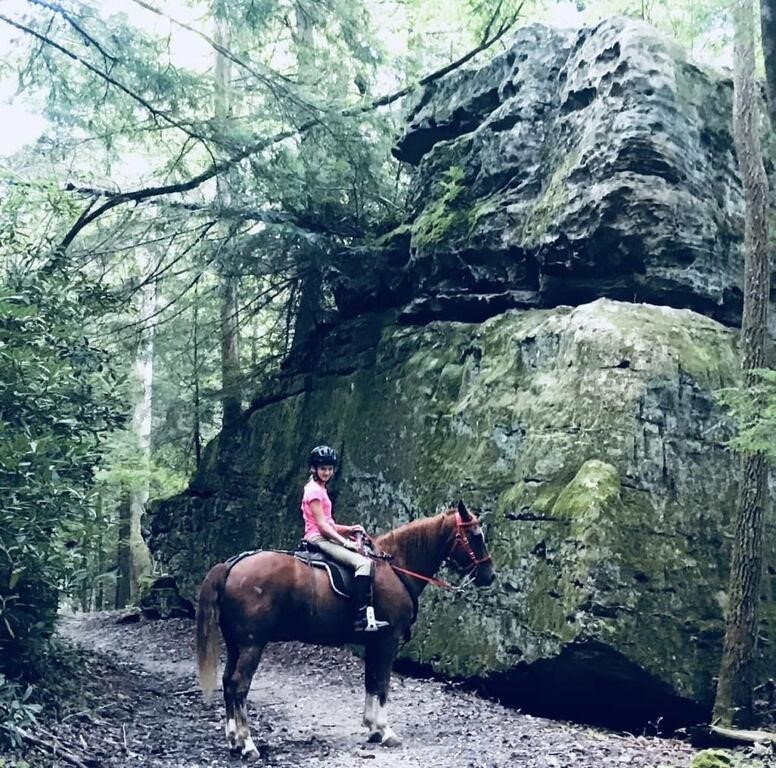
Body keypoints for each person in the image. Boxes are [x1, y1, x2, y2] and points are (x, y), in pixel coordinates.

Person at [301, 445, 389, 633]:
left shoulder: (319, 488)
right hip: (318, 538)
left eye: (330, 468)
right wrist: (345, 542)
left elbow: (329, 522)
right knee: (363, 564)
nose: (327, 472)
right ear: (314, 469)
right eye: (323, 468)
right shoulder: (314, 492)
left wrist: (349, 528)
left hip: (322, 534)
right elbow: (322, 526)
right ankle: (361, 617)